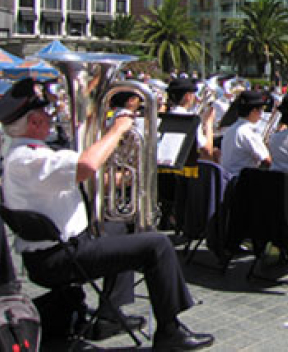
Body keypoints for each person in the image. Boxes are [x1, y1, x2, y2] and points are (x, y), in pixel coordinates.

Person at [0, 78, 213, 350]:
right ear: (33, 122)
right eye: (44, 113)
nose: (49, 116)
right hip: (59, 258)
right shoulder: (28, 159)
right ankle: (170, 331)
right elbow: (87, 165)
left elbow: (73, 181)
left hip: (63, 248)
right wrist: (117, 130)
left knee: (123, 226)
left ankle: (110, 314)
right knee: (158, 245)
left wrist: (130, 174)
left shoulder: (23, 154)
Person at [220, 90, 271, 177]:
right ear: (254, 111)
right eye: (261, 110)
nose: (261, 114)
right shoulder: (249, 133)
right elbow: (267, 160)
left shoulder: (230, 129)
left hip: (227, 178)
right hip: (242, 181)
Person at [167, 77, 216, 162]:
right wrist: (208, 124)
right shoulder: (190, 119)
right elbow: (207, 151)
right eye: (193, 94)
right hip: (185, 171)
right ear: (187, 96)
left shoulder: (164, 117)